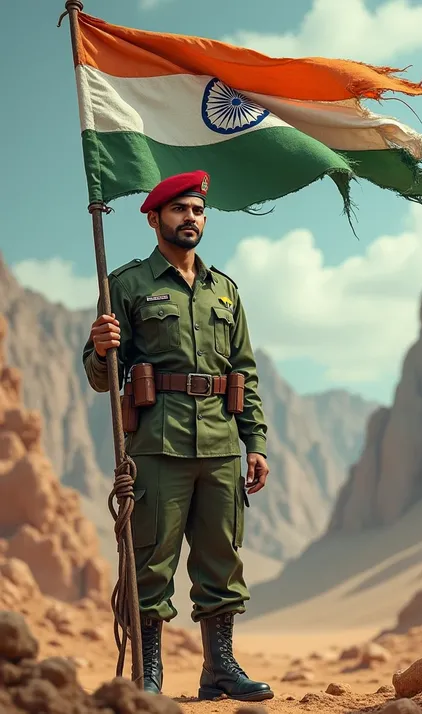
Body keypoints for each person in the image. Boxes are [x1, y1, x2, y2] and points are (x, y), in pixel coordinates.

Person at [82, 170, 273, 702]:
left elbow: (245, 373)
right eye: (180, 210)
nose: (191, 218)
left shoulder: (225, 291)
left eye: (198, 210)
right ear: (155, 218)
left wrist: (254, 442)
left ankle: (220, 670)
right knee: (150, 560)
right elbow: (101, 377)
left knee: (221, 557)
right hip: (156, 445)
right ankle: (149, 678)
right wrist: (101, 350)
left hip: (218, 443)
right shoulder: (125, 286)